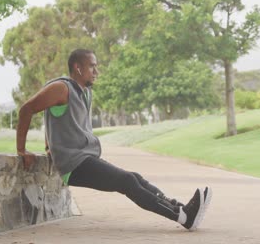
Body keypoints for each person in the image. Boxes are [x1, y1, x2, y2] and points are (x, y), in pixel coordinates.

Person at [16, 48, 212, 231]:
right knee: (127, 181)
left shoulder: (85, 92)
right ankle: (183, 217)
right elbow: (27, 109)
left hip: (86, 159)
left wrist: (49, 145)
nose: (96, 71)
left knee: (135, 177)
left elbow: (57, 118)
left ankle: (181, 208)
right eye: (92, 66)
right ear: (78, 67)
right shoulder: (60, 88)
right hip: (74, 166)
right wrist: (21, 150)